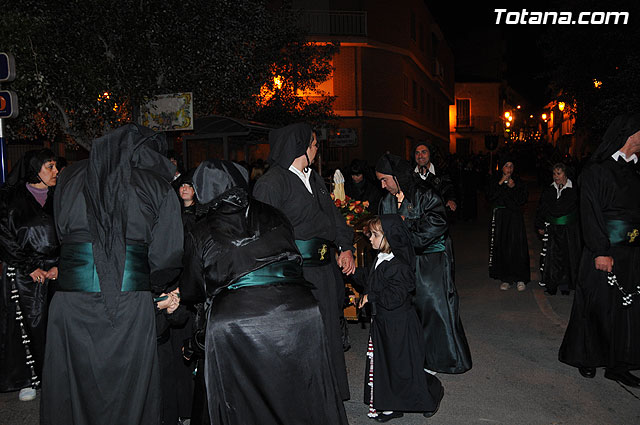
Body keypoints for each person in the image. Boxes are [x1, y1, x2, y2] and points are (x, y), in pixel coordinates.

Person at [180, 159, 348, 424]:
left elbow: (192, 290)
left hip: (238, 319)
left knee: (244, 401)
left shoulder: (200, 229)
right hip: (300, 309)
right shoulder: (275, 214)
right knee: (297, 391)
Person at [41, 124, 184, 425]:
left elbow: (61, 232)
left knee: (74, 388)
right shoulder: (155, 186)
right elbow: (167, 256)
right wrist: (152, 286)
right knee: (130, 390)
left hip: (71, 300)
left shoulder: (68, 176)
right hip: (129, 301)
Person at [253, 122, 354, 400]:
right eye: (313, 143)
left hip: (324, 272)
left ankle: (331, 393)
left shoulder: (315, 178)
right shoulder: (271, 183)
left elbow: (333, 219)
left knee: (329, 332)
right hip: (295, 277)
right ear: (301, 147)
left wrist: (346, 246)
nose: (317, 147)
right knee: (301, 339)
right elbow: (264, 235)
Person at [559, 113, 640, 387]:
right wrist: (600, 250)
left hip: (632, 254)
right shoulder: (596, 171)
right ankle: (588, 357)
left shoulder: (636, 171)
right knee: (596, 307)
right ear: (630, 135)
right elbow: (590, 212)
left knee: (625, 311)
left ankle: (619, 363)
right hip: (604, 250)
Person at [375, 153, 472, 374]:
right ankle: (415, 355)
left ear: (397, 177)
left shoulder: (423, 193)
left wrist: (406, 226)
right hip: (404, 261)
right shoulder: (386, 201)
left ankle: (440, 359)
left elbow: (438, 222)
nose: (382, 185)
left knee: (434, 309)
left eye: (385, 180)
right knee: (409, 309)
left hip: (431, 260)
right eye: (380, 180)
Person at [359, 215, 444, 422]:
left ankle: (428, 397)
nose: (370, 238)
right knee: (387, 365)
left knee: (401, 367)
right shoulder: (381, 259)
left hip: (399, 325)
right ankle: (390, 404)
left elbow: (395, 297)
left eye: (375, 235)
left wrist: (372, 297)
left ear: (389, 238)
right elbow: (373, 282)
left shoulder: (399, 265)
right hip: (384, 324)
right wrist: (353, 272)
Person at [0, 149, 59, 402]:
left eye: (56, 166)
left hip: (56, 271)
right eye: (50, 167)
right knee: (25, 326)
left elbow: (73, 230)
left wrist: (61, 264)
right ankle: (28, 379)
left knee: (56, 325)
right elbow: (4, 235)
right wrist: (29, 266)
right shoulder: (11, 198)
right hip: (25, 273)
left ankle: (57, 377)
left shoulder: (61, 195)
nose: (56, 171)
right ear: (35, 169)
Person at [535, 163, 581, 295]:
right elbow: (542, 207)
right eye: (554, 174)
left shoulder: (574, 190)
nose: (556, 177)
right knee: (552, 257)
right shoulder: (549, 190)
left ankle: (565, 284)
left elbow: (562, 208)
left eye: (559, 173)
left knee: (567, 257)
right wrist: (540, 224)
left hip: (568, 230)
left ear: (565, 174)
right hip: (552, 229)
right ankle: (552, 283)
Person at [488, 158, 530, 291]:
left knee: (517, 246)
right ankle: (506, 277)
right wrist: (501, 183)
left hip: (515, 218)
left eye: (511, 166)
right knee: (503, 246)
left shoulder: (518, 182)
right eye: (506, 166)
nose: (509, 169)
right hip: (501, 218)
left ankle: (520, 278)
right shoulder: (495, 181)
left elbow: (523, 199)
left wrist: (514, 187)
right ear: (501, 167)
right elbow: (490, 196)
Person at [413, 143, 457, 214]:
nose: (420, 156)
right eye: (417, 153)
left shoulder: (442, 173)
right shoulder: (409, 174)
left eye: (424, 152)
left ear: (430, 154)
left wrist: (450, 200)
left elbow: (449, 189)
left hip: (436, 217)